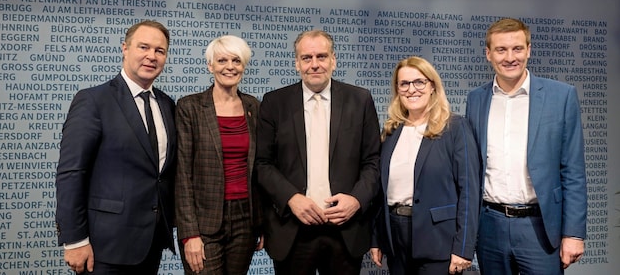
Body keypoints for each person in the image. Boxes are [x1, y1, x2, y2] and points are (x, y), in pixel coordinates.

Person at [466, 17, 587, 274]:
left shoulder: (561, 96)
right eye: (501, 50)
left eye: (517, 49)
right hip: (490, 225)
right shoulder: (476, 99)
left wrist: (574, 233)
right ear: (488, 54)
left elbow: (573, 170)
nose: (510, 57)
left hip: (541, 228)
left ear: (529, 50)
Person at [255, 29, 381, 275]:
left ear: (333, 60)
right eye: (306, 58)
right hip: (292, 230)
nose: (314, 64)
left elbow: (373, 162)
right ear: (296, 63)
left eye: (321, 57)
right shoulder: (274, 103)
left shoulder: (360, 100)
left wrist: (356, 200)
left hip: (344, 230)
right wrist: (292, 198)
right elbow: (262, 164)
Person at [55, 20, 177, 274]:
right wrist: (75, 240)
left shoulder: (167, 105)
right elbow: (71, 173)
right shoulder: (93, 100)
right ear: (125, 48)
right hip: (105, 247)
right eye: (143, 47)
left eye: (159, 50)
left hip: (151, 243)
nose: (151, 56)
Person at [369, 56, 480, 275]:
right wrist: (376, 238)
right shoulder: (391, 132)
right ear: (397, 90)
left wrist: (464, 247)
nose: (412, 89)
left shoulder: (455, 128)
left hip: (439, 240)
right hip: (395, 237)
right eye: (404, 84)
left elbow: (469, 191)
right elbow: (379, 192)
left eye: (419, 82)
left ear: (432, 86)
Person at [174, 35, 263, 274]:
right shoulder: (189, 107)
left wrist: (262, 224)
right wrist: (189, 234)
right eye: (222, 60)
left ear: (244, 66)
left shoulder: (254, 106)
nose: (230, 67)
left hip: (246, 218)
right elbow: (182, 176)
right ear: (210, 65)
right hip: (204, 222)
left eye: (236, 60)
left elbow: (261, 168)